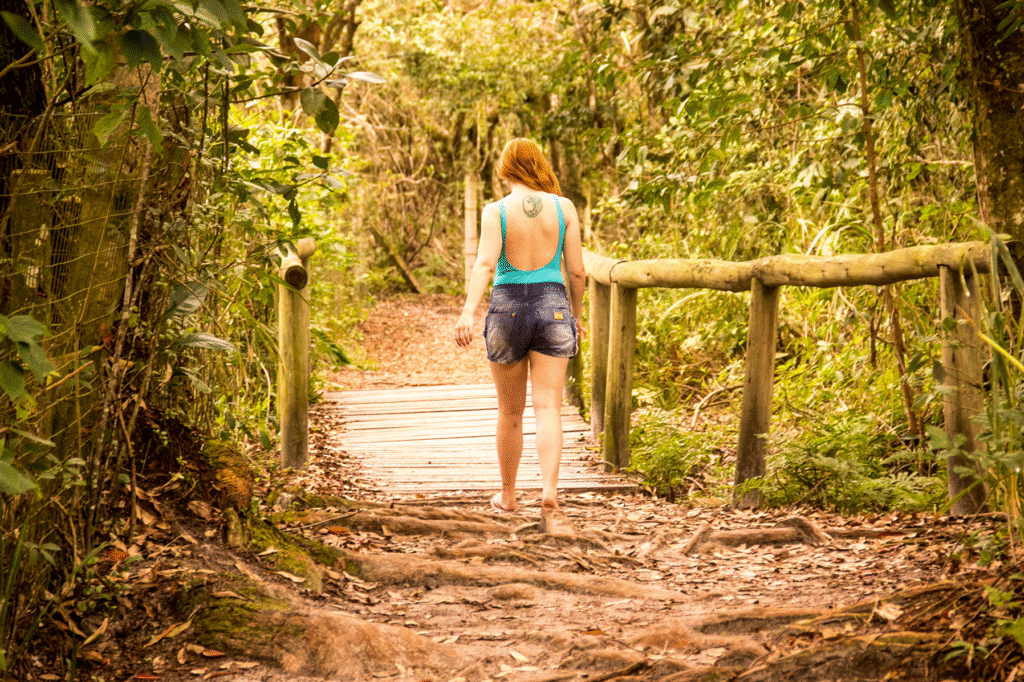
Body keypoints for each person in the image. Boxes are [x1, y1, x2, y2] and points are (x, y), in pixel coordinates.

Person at [454, 138, 587, 514]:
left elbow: (484, 264)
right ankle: (550, 492)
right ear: (539, 165)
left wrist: (467, 312)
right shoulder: (563, 208)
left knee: (510, 412)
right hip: (553, 307)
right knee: (548, 407)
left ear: (505, 169)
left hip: (507, 308)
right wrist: (576, 314)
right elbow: (577, 271)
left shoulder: (495, 211)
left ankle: (509, 495)